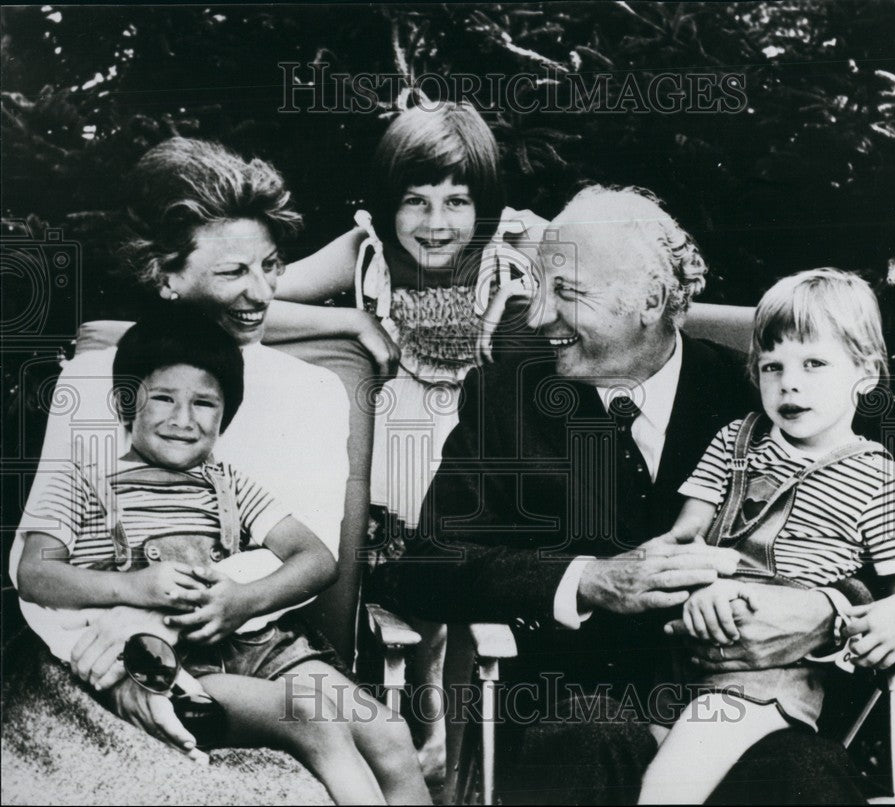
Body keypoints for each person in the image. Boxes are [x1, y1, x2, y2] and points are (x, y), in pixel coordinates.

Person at [380, 185, 874, 804]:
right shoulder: (509, 397)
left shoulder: (762, 400)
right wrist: (586, 579)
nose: (536, 317)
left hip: (741, 702)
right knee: (585, 745)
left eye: (567, 293)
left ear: (650, 301)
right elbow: (427, 567)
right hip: (572, 705)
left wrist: (828, 611)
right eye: (538, 286)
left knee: (804, 781)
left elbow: (878, 544)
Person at [10, 138, 378, 772]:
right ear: (167, 277)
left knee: (382, 735)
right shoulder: (94, 379)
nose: (261, 292)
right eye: (234, 272)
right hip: (90, 648)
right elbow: (36, 561)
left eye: (270, 265)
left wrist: (159, 619)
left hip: (253, 640)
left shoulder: (313, 393)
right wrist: (122, 639)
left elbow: (307, 555)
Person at [15, 312, 430, 805]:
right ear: (127, 402)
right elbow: (34, 573)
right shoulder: (84, 479)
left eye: (204, 403)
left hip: (259, 645)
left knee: (385, 729)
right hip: (176, 665)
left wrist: (243, 600)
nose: (183, 419)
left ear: (225, 415)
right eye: (164, 398)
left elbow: (317, 558)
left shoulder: (227, 483)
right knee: (314, 719)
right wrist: (133, 588)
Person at [272, 100, 543, 776]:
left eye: (457, 201)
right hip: (385, 459)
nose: (437, 222)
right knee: (386, 616)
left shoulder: (511, 255)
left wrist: (559, 242)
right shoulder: (365, 254)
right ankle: (369, 742)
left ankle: (450, 755)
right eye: (415, 201)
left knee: (463, 596)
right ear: (387, 203)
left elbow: (618, 293)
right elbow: (245, 299)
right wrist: (346, 327)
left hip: (472, 462)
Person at [637, 269, 895, 803]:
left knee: (665, 793)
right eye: (771, 366)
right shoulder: (736, 440)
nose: (789, 382)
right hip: (682, 658)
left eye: (814, 363)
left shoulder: (885, 480)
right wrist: (701, 577)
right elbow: (686, 537)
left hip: (768, 680)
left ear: (866, 374)